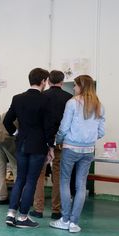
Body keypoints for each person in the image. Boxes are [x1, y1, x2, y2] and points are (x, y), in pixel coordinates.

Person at [50, 75, 105, 233]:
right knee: (81, 185)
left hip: (70, 148)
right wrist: (90, 138)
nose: (73, 88)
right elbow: (101, 131)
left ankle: (65, 219)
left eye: (74, 85)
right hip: (88, 150)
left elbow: (64, 126)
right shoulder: (99, 105)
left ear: (81, 86)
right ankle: (74, 223)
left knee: (64, 182)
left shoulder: (72, 103)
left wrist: (58, 140)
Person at [4, 68, 54, 228]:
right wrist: (51, 147)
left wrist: (17, 132)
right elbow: (49, 126)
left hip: (21, 143)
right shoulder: (46, 100)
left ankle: (11, 214)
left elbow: (6, 121)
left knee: (20, 179)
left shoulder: (17, 98)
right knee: (31, 181)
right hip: (38, 145)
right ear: (43, 81)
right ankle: (23, 217)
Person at [30, 70, 73, 220]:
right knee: (59, 175)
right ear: (62, 81)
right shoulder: (69, 98)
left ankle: (38, 208)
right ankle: (56, 210)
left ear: (48, 81)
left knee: (39, 174)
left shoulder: (41, 96)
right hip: (61, 140)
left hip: (42, 140)